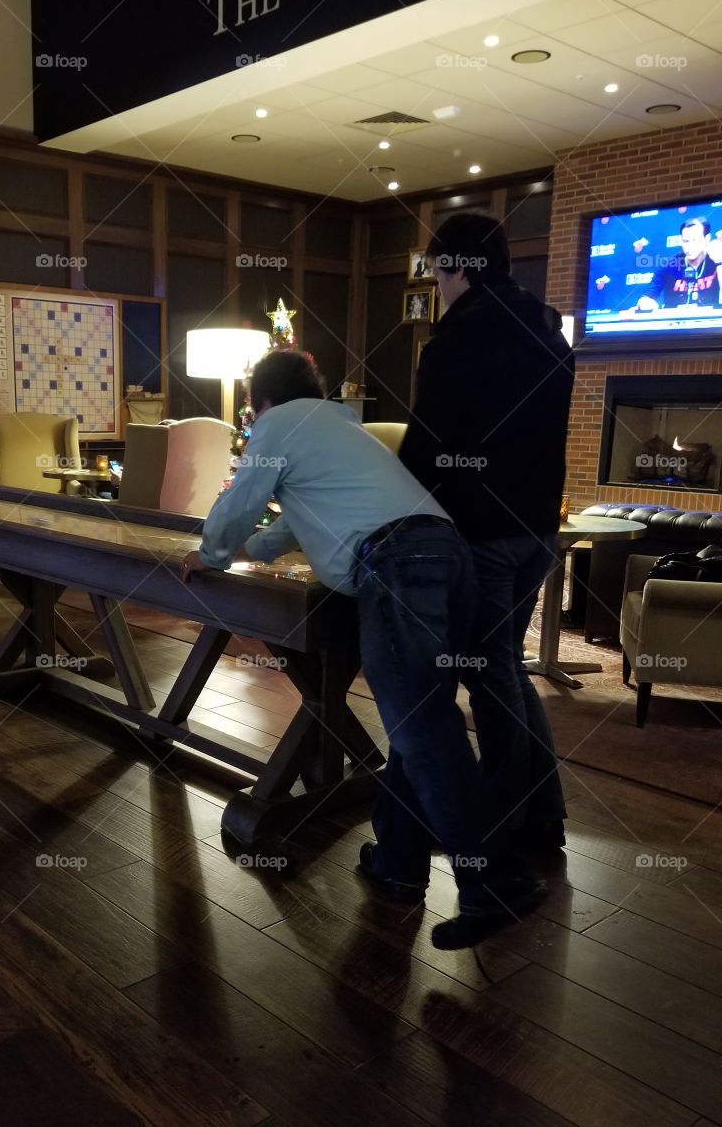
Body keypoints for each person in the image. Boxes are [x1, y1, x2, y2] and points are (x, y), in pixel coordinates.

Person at [181, 349, 547, 949]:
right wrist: (255, 551)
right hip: (446, 556)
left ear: (258, 402)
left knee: (423, 729)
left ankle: (496, 882)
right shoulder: (339, 427)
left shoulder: (276, 425)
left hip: (399, 566)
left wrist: (213, 553)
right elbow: (297, 521)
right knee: (418, 721)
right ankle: (399, 862)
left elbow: (240, 505)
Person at [400, 213, 574, 856]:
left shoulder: (458, 341)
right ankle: (541, 814)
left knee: (487, 671)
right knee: (502, 667)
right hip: (537, 531)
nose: (438, 287)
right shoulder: (550, 338)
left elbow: (427, 446)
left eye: (438, 272)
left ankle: (509, 823)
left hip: (483, 532)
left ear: (459, 268)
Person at [636, 218, 721, 310]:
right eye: (686, 241)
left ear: (706, 239)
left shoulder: (716, 261)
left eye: (695, 240)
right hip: (675, 322)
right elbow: (648, 294)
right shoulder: (669, 264)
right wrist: (645, 302)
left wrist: (719, 262)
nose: (690, 246)